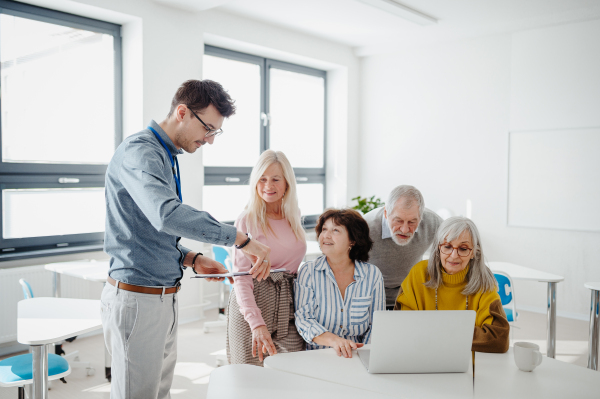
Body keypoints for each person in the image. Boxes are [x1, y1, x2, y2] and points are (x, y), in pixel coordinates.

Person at [102, 79, 271, 399]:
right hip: (139, 298)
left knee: (158, 392)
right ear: (182, 112)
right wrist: (243, 240)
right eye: (208, 128)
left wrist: (192, 258)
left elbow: (146, 232)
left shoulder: (166, 155)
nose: (209, 140)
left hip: (163, 295)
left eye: (215, 132)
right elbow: (166, 215)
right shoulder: (141, 152)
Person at [227, 150, 307, 366]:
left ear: (287, 183)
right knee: (249, 377)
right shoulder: (246, 220)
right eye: (262, 179)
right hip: (253, 301)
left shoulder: (294, 214)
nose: (268, 186)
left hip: (286, 301)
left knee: (293, 370)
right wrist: (256, 323)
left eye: (275, 179)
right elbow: (241, 278)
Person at [395, 216, 510, 353]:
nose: (454, 255)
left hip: (469, 363)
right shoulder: (418, 273)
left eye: (463, 248)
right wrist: (457, 335)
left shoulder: (483, 281)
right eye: (447, 246)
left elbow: (498, 338)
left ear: (473, 252)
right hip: (423, 355)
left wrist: (434, 333)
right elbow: (402, 326)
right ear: (438, 248)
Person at [295, 208, 385, 358]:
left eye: (335, 230)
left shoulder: (372, 275)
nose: (326, 235)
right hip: (318, 357)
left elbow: (376, 325)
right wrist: (335, 341)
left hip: (358, 356)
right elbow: (304, 319)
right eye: (324, 229)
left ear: (353, 240)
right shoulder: (308, 272)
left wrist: (364, 356)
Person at [363, 185, 442, 310]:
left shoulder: (433, 223)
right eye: (398, 221)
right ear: (386, 214)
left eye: (412, 222)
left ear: (421, 217)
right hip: (371, 299)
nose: (405, 230)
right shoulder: (365, 227)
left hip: (410, 297)